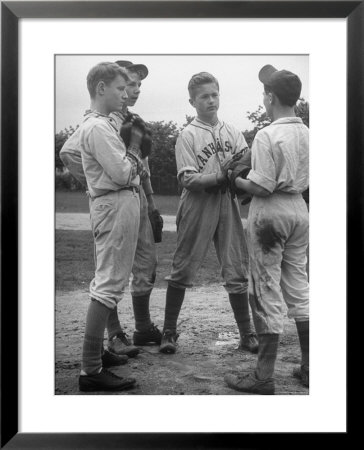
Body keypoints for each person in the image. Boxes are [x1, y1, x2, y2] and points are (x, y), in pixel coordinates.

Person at [60, 60, 162, 362]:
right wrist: (97, 182)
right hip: (115, 198)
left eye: (136, 85)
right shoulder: (100, 121)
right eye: (127, 84)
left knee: (142, 264)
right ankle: (113, 337)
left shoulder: (131, 119)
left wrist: (151, 202)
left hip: (135, 197)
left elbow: (140, 167)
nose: (132, 90)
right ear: (108, 87)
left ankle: (141, 327)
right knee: (111, 276)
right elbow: (70, 152)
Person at [159, 72, 258, 355]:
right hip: (197, 203)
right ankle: (168, 331)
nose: (211, 100)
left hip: (226, 201)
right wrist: (221, 175)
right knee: (183, 267)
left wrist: (239, 171)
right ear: (192, 101)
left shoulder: (233, 131)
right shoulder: (187, 135)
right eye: (204, 96)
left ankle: (246, 333)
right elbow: (187, 179)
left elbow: (246, 161)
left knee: (236, 266)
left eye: (214, 94)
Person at [224, 65, 309, 395]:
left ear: (270, 97)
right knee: (299, 285)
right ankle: (310, 367)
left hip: (270, 213)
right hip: (299, 209)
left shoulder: (267, 134)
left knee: (264, 289)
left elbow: (261, 186)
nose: (263, 98)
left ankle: (263, 376)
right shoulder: (308, 133)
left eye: (265, 93)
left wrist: (235, 178)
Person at [75, 61, 146, 391]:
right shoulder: (99, 128)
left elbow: (126, 172)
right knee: (108, 283)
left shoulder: (99, 124)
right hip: (114, 201)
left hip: (117, 201)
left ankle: (97, 356)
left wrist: (132, 163)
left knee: (110, 279)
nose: (124, 94)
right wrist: (134, 148)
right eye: (119, 88)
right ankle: (91, 370)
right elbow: (123, 173)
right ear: (100, 88)